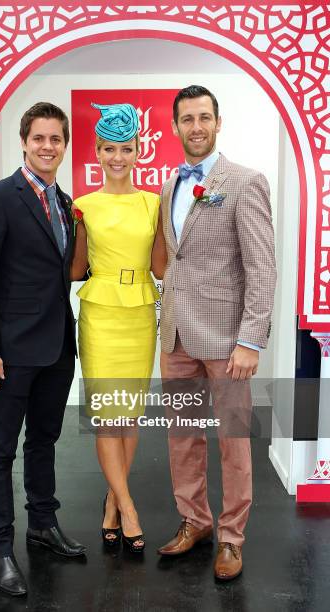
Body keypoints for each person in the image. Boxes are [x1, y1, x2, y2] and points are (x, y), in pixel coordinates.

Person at [0, 102, 85, 597]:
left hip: (57, 348)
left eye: (57, 139)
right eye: (40, 138)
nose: (48, 146)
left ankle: (41, 523)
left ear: (65, 144)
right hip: (8, 354)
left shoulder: (65, 202)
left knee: (44, 442)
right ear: (25, 141)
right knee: (0, 449)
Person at [157, 85, 276, 580]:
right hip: (177, 338)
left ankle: (231, 538)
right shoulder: (170, 185)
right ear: (175, 126)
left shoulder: (245, 181)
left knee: (233, 440)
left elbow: (262, 267)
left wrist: (250, 340)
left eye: (204, 117)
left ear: (218, 122)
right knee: (183, 438)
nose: (196, 127)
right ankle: (195, 520)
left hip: (229, 343)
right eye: (187, 119)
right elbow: (174, 260)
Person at [70, 102, 166, 553]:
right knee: (108, 415)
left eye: (125, 148)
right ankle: (128, 507)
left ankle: (111, 502)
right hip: (102, 314)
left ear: (138, 150)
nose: (117, 157)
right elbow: (74, 269)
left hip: (141, 313)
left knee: (130, 415)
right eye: (109, 148)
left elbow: (162, 266)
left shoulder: (153, 203)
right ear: (97, 151)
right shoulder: (82, 205)